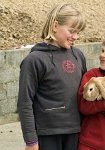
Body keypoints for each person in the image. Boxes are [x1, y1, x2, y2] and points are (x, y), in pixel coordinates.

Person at [17, 3, 86, 150]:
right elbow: (25, 102)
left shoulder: (78, 55)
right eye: (72, 31)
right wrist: (31, 141)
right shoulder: (34, 60)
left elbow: (85, 93)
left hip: (76, 132)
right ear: (55, 26)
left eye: (79, 32)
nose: (76, 37)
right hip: (47, 135)